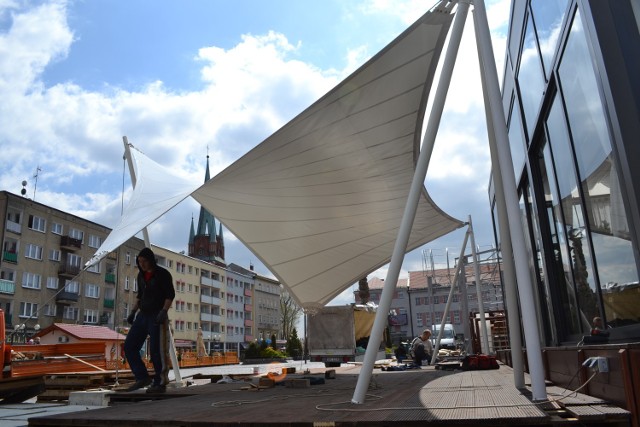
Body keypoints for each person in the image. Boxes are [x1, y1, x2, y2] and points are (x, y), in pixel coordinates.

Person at [124, 247, 175, 393]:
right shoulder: (141, 276)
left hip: (157, 315)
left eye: (144, 261)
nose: (142, 264)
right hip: (143, 315)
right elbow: (140, 296)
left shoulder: (162, 274)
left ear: (151, 260)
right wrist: (133, 312)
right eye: (139, 262)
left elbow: (170, 295)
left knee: (156, 350)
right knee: (129, 346)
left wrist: (164, 311)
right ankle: (142, 377)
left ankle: (160, 382)